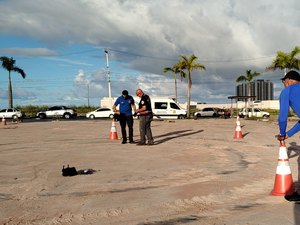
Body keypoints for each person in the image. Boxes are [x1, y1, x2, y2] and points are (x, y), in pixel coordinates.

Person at [277, 70, 300, 201]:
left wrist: (281, 133)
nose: (284, 84)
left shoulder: (287, 91)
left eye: (284, 81)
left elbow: (282, 117)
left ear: (289, 80)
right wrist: (288, 134)